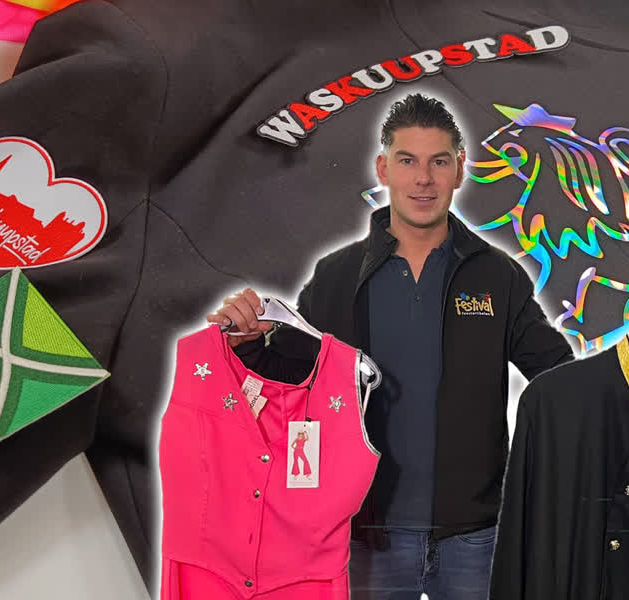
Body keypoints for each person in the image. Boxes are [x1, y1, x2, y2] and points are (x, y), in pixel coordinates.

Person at [206, 93, 573, 599]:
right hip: (365, 535)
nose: (423, 179)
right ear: (383, 169)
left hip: (476, 538)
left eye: (438, 162)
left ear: (459, 170)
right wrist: (248, 342)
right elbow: (289, 374)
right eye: (407, 161)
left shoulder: (497, 275)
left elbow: (558, 377)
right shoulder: (335, 276)